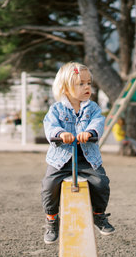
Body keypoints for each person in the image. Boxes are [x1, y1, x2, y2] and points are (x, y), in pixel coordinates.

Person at [41, 62, 115, 244]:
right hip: (61, 159)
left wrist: (89, 133)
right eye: (81, 84)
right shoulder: (56, 109)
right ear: (66, 88)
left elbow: (98, 122)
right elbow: (50, 125)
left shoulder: (92, 108)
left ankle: (98, 215)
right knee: (49, 185)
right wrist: (60, 134)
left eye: (88, 83)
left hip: (87, 159)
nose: (87, 87)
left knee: (101, 182)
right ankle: (51, 219)